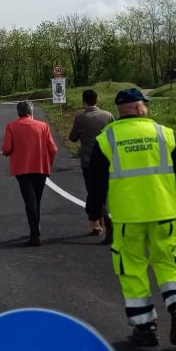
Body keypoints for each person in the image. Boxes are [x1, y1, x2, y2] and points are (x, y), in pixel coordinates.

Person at [85, 88, 176, 347]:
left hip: (128, 217)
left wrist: (94, 214)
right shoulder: (164, 133)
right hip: (164, 213)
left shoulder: (107, 138)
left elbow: (96, 182)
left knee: (132, 268)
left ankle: (146, 327)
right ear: (139, 107)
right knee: (167, 261)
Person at [1, 101, 58, 246]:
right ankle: (36, 229)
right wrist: (49, 163)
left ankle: (35, 235)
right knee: (36, 200)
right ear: (31, 111)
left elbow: (7, 149)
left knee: (30, 201)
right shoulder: (43, 126)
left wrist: (5, 153)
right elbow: (53, 149)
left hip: (22, 169)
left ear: (18, 112)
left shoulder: (11, 126)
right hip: (40, 167)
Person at [68, 89, 115, 243]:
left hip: (89, 162)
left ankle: (101, 222)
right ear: (97, 100)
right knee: (106, 192)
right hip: (108, 160)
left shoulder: (80, 118)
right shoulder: (108, 115)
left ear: (83, 101)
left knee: (94, 193)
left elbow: (73, 138)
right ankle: (100, 222)